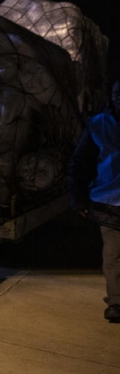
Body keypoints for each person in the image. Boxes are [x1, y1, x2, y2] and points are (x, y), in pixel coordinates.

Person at [68, 79, 120, 323]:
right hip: (109, 203)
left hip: (108, 200)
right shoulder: (99, 125)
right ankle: (117, 303)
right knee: (113, 257)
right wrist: (79, 199)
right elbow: (80, 164)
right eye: (117, 93)